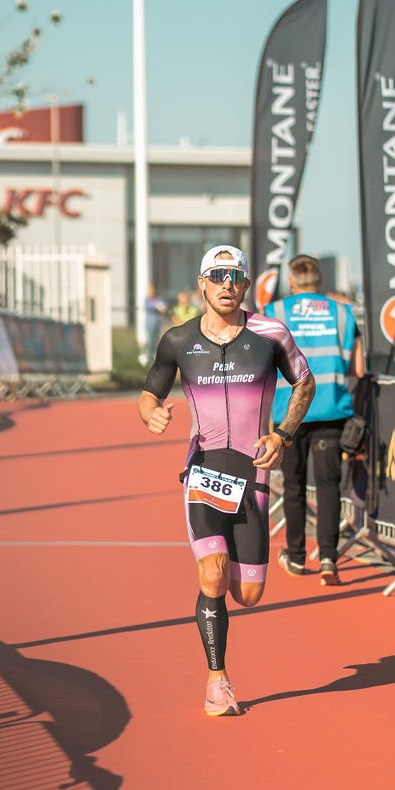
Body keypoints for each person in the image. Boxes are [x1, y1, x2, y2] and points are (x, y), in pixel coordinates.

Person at [138, 244, 314, 716]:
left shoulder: (271, 334)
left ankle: (226, 598)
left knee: (249, 594)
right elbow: (149, 393)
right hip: (203, 471)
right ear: (202, 283)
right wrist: (151, 413)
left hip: (253, 473)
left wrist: (283, 434)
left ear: (246, 284)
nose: (227, 285)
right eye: (217, 277)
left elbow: (304, 382)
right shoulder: (177, 340)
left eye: (235, 277)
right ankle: (217, 681)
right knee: (211, 573)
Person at [263, 255, 364, 587]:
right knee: (328, 486)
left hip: (289, 413)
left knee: (293, 485)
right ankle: (328, 559)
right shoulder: (342, 313)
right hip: (331, 409)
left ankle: (295, 556)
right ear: (320, 282)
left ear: (291, 283)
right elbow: (358, 369)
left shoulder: (274, 312)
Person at [143, 284, 168, 357]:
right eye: (149, 289)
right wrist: (157, 307)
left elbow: (164, 307)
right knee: (151, 340)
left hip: (158, 323)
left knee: (157, 340)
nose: (151, 291)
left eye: (152, 289)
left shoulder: (159, 299)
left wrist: (162, 308)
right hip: (150, 323)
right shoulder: (147, 300)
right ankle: (147, 354)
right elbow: (150, 307)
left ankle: (155, 355)